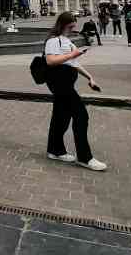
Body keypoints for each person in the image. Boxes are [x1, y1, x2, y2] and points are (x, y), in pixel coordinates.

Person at [43, 12, 107, 172]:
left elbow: (74, 63)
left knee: (61, 117)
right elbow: (50, 61)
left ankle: (54, 150)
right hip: (60, 84)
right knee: (81, 115)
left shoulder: (67, 41)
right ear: (64, 24)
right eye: (71, 25)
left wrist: (90, 77)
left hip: (66, 83)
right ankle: (85, 157)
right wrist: (73, 53)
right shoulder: (53, 40)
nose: (74, 28)